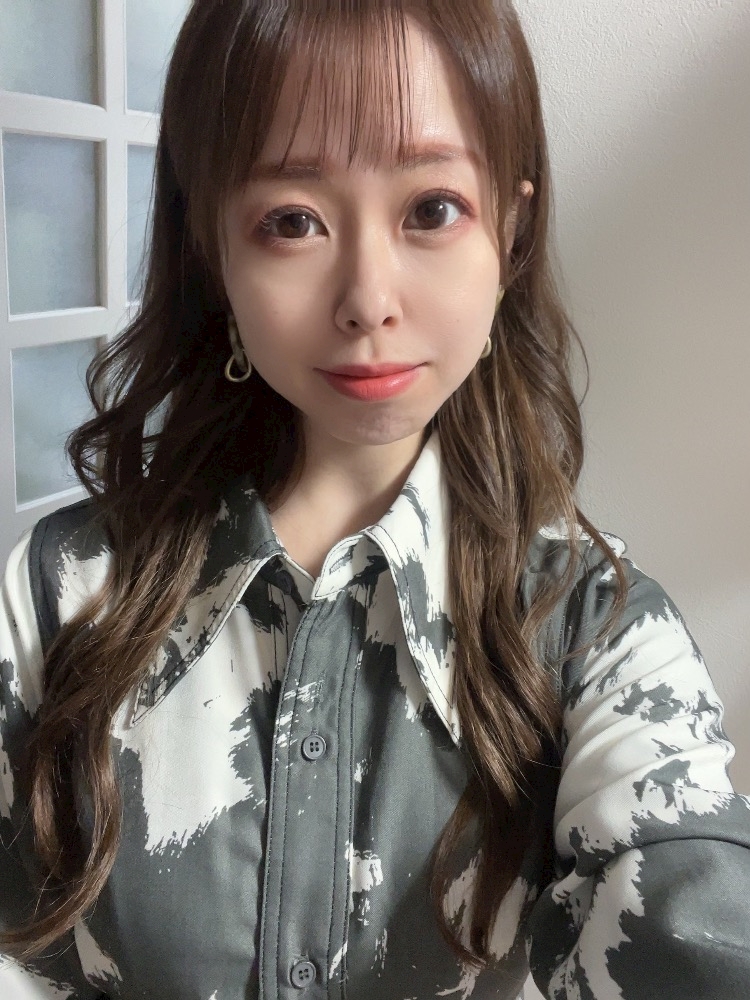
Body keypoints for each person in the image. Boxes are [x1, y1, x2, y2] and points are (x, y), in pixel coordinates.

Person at [1, 1, 749, 997]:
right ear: (213, 248)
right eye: (292, 221)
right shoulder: (60, 592)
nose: (368, 299)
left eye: (431, 209)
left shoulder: (592, 630)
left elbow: (688, 919)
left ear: (512, 228)